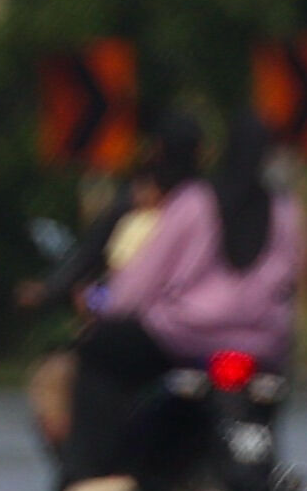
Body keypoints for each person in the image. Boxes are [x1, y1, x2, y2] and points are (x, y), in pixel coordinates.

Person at [53, 112, 304, 491]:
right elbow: (292, 277)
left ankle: (84, 474)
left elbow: (139, 283)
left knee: (100, 356)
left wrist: (105, 307)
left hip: (184, 340)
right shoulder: (285, 210)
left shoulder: (195, 202)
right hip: (262, 347)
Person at [17, 115, 204, 452]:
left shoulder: (169, 214)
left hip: (148, 334)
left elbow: (124, 289)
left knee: (66, 375)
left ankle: (82, 468)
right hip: (205, 335)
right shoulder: (215, 206)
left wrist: (87, 300)